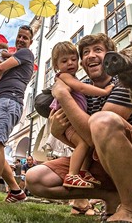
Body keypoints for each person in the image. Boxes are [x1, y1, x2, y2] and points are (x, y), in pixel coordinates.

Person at [26, 33, 132, 223]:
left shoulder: (125, 81)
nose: (90, 55)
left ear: (110, 57)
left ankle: (131, 210)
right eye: (85, 53)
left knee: (102, 120)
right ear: (82, 64)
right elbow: (86, 143)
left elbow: (94, 135)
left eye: (98, 50)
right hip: (101, 161)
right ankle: (111, 195)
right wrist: (57, 132)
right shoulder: (80, 93)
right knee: (35, 178)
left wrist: (64, 97)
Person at [0, 25, 34, 205]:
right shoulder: (13, 57)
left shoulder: (26, 54)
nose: (21, 40)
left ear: (30, 42)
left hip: (9, 101)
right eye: (19, 36)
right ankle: (16, 191)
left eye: (25, 37)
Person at [48, 41, 113, 188]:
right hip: (69, 121)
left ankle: (83, 172)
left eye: (73, 59)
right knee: (83, 143)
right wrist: (104, 91)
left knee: (87, 145)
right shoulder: (65, 77)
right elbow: (82, 88)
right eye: (64, 61)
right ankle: (72, 175)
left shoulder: (70, 77)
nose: (70, 63)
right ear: (56, 66)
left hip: (72, 121)